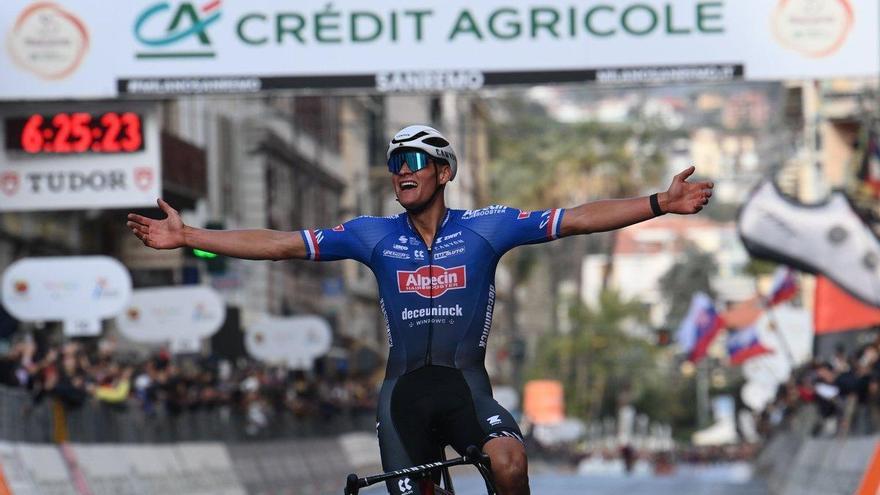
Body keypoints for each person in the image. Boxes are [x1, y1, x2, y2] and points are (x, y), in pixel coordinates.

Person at [127, 124, 713, 494]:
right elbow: (281, 244)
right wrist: (190, 237)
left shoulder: (489, 227)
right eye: (394, 163)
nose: (400, 171)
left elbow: (577, 218)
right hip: (403, 396)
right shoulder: (371, 234)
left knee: (508, 463)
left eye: (414, 160)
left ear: (444, 172)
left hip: (465, 389)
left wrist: (660, 202)